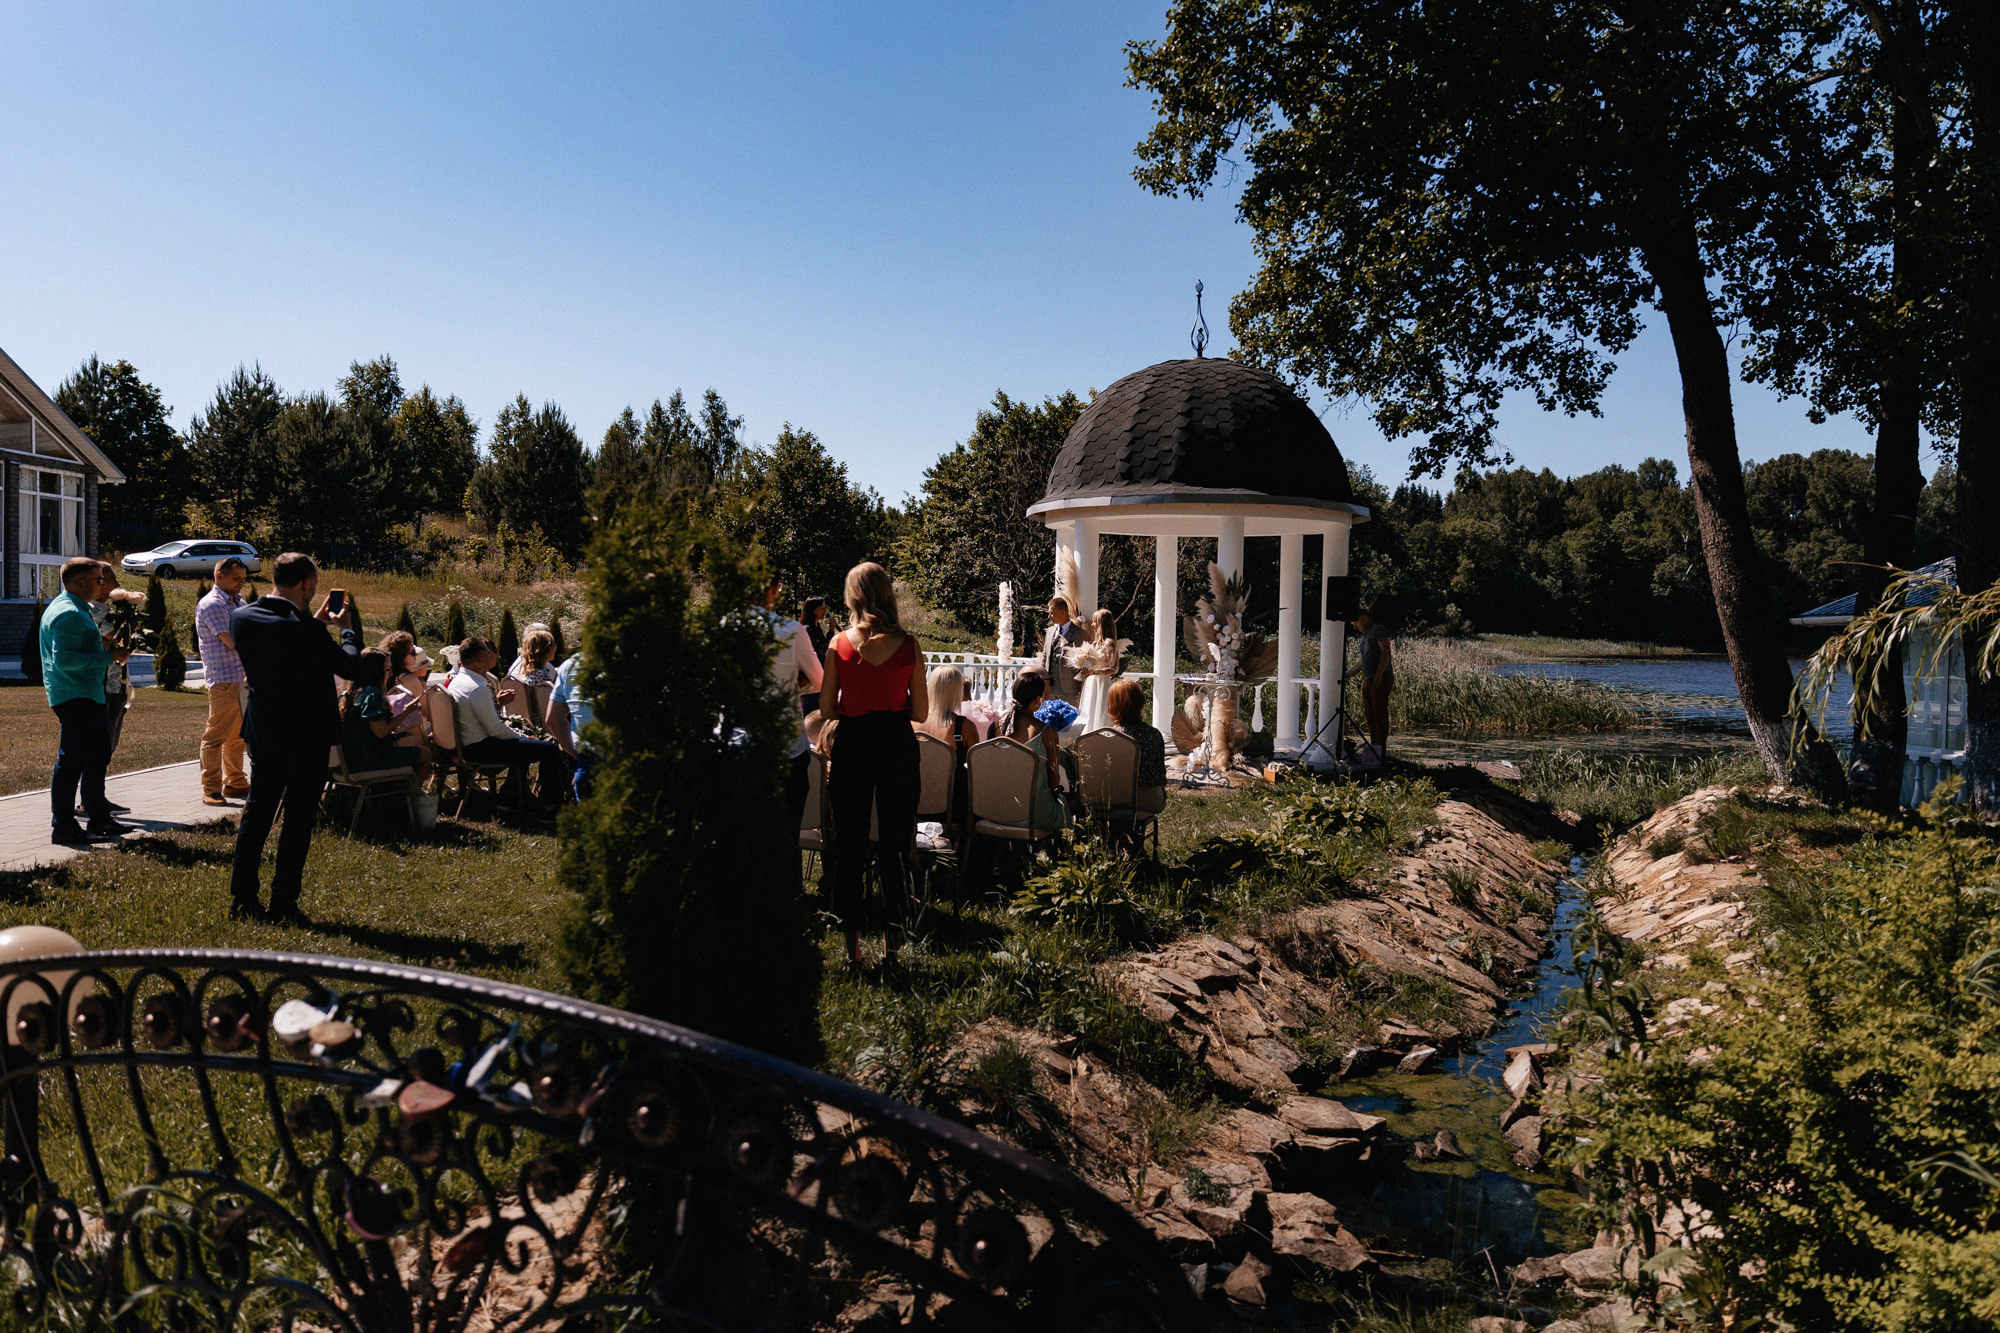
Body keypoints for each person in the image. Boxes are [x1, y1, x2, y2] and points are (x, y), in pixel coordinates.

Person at [228, 552, 363, 923]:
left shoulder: (241, 617)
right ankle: (284, 902)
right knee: (298, 817)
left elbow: (284, 650)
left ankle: (242, 899)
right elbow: (350, 664)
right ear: (306, 584)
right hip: (306, 732)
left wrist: (310, 623)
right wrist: (347, 628)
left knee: (257, 811)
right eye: (314, 585)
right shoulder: (308, 630)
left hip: (264, 727)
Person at [819, 562, 928, 970]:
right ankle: (892, 952)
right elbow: (921, 712)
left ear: (853, 596)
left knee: (849, 844)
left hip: (854, 744)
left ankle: (852, 953)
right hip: (897, 745)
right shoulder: (909, 645)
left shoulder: (837, 645)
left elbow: (827, 707)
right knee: (896, 845)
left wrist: (858, 701)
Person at [40, 556, 132, 845]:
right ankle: (64, 826)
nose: (103, 585)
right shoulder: (68, 612)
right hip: (74, 694)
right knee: (72, 761)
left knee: (96, 754)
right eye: (98, 580)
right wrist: (109, 657)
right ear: (79, 582)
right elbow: (65, 660)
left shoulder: (75, 608)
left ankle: (100, 818)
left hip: (84, 692)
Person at [446, 636, 570, 809]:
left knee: (525, 744)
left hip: (467, 743)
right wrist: (522, 736)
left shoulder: (458, 681)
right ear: (480, 659)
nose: (492, 656)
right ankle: (549, 804)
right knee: (549, 750)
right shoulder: (476, 688)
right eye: (488, 653)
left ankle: (512, 791)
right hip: (480, 748)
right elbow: (494, 729)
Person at [762, 579, 823, 828]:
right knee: (785, 838)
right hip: (782, 749)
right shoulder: (790, 631)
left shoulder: (720, 625)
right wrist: (793, 685)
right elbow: (818, 680)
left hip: (734, 747)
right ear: (775, 589)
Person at [195, 557, 251, 805]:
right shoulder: (213, 604)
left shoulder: (238, 601)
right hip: (224, 680)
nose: (241, 584)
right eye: (236, 579)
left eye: (243, 579)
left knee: (237, 736)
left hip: (241, 679)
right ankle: (211, 789)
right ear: (219, 576)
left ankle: (236, 782)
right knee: (215, 736)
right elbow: (233, 641)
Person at [340, 649, 429, 783]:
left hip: (347, 758)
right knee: (426, 753)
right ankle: (412, 798)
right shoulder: (372, 694)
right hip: (367, 759)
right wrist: (406, 711)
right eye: (387, 670)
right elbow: (381, 731)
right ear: (376, 672)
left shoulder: (349, 692)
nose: (391, 673)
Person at [995, 670, 1069, 832]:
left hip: (996, 810)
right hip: (1033, 814)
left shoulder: (996, 727)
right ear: (1037, 699)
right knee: (1066, 806)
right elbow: (1054, 781)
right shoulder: (1046, 731)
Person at [915, 663, 977, 824]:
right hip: (951, 804)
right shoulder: (964, 726)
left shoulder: (913, 721)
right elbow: (977, 768)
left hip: (915, 795)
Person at [1106, 678, 1168, 836]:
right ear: (1141, 703)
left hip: (1115, 800)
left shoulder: (1107, 736)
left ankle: (1119, 841)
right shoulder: (1154, 734)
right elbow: (1161, 773)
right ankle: (1131, 842)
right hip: (1150, 799)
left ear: (1112, 706)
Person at [1068, 608, 1128, 734]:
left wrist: (1095, 672)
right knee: (1089, 712)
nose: (1092, 624)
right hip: (1091, 684)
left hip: (1101, 684)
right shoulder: (1096, 643)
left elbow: (1114, 668)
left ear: (1102, 624)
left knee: (1100, 712)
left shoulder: (1109, 643)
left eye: (1095, 622)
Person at [1347, 609, 1395, 760]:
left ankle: (1380, 751)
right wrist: (1347, 674)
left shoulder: (1378, 630)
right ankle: (1374, 749)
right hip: (1368, 679)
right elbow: (1361, 662)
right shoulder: (1363, 637)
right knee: (1370, 715)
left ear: (1364, 618)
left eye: (1355, 623)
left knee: (1379, 714)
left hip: (1380, 678)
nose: (1355, 626)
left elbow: (1386, 651)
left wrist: (1379, 674)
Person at [548, 647, 595, 801]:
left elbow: (553, 719)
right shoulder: (640, 664)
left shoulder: (570, 665)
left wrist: (576, 755)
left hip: (588, 763)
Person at [1040, 596, 1084, 706]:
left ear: (1063, 612)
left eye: (1052, 613)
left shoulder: (1079, 633)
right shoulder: (1050, 631)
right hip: (1049, 689)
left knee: (1068, 722)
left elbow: (1084, 662)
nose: (1049, 616)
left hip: (1069, 689)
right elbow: (1045, 656)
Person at [800, 595, 831, 715]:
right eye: (822, 609)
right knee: (811, 707)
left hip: (820, 672)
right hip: (812, 675)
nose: (825, 612)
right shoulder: (807, 630)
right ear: (814, 610)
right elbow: (822, 648)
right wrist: (832, 631)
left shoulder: (817, 628)